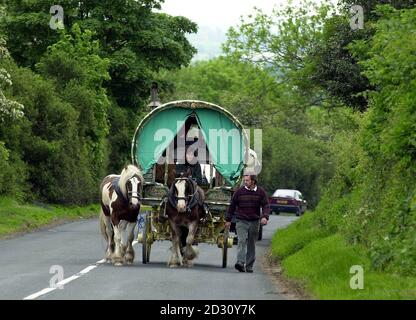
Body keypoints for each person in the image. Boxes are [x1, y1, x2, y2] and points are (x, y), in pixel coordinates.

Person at [225, 174, 270, 273]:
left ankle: (249, 265)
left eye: (247, 180)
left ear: (253, 181)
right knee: (241, 241)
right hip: (241, 220)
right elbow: (232, 206)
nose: (245, 182)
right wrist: (228, 219)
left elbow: (266, 205)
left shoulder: (260, 192)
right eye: (244, 180)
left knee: (251, 243)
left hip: (254, 221)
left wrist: (265, 217)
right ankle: (240, 262)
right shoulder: (239, 192)